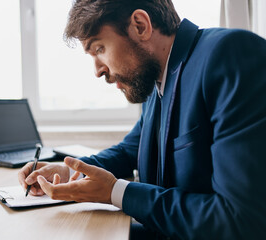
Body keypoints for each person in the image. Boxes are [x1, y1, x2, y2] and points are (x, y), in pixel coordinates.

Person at [18, 0, 266, 239]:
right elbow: (129, 151)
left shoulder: (228, 55)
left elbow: (238, 220)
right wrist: (71, 170)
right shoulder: (154, 80)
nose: (98, 70)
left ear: (140, 25)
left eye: (99, 48)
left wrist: (116, 192)